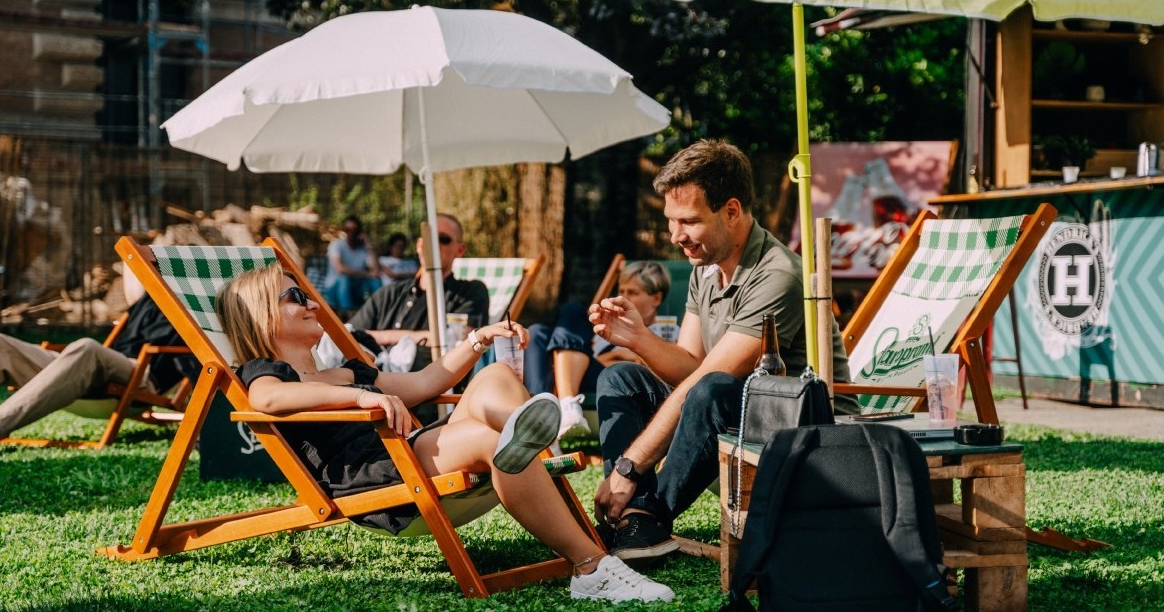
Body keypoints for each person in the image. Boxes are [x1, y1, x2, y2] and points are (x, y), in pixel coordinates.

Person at [215, 263, 674, 604]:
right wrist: (358, 398)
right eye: (294, 296)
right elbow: (267, 401)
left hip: (407, 452)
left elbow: (423, 384)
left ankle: (527, 438)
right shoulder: (266, 372)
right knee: (486, 442)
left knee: (492, 379)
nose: (312, 302)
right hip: (378, 477)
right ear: (260, 317)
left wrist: (480, 340)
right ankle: (591, 563)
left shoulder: (345, 371)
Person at [588, 139, 855, 567]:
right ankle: (631, 520)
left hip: (805, 428)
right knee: (619, 378)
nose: (675, 236)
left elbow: (708, 381)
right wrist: (637, 338)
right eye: (671, 221)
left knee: (713, 390)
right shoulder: (707, 266)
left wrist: (629, 466)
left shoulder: (778, 275)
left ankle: (643, 514)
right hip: (739, 409)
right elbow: (687, 366)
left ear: (731, 211)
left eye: (688, 221)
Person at [0, 272, 198, 460]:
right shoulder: (150, 298)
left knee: (87, 348)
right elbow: (133, 274)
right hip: (93, 367)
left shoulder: (198, 310)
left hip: (140, 377)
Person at [523, 261, 672, 439]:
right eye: (622, 291)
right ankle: (558, 414)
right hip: (580, 378)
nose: (623, 298)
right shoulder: (609, 326)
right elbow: (582, 359)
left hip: (616, 384)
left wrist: (617, 359)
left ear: (656, 298)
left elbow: (658, 374)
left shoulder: (669, 333)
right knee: (537, 332)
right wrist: (616, 355)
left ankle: (544, 424)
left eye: (632, 292)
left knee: (571, 311)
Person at [348, 214, 489, 368]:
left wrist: (381, 336)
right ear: (419, 244)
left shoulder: (470, 292)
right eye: (429, 238)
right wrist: (423, 337)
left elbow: (462, 346)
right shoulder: (391, 292)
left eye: (443, 239)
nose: (434, 245)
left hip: (424, 386)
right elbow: (350, 334)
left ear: (460, 249)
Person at [324, 215, 382, 313]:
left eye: (354, 229)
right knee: (344, 278)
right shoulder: (336, 245)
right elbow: (340, 269)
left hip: (356, 288)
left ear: (360, 231)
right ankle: (348, 314)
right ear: (344, 231)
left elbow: (375, 270)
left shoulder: (363, 249)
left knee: (375, 281)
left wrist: (368, 245)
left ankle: (380, 310)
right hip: (335, 289)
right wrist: (366, 274)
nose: (351, 232)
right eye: (347, 229)